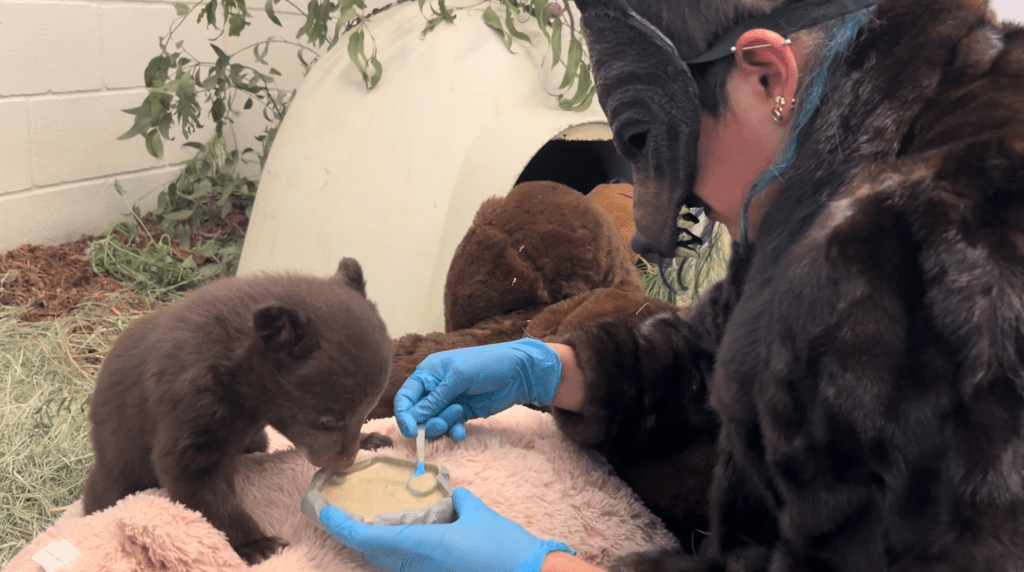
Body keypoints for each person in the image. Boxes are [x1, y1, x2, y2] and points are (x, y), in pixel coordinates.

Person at [320, 0, 1024, 569]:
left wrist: (538, 567)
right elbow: (744, 360)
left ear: (767, 75)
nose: (676, 196)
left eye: (670, 148)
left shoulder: (955, 231)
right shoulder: (839, 162)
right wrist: (557, 370)